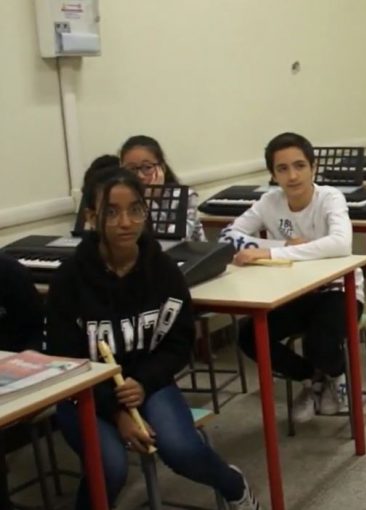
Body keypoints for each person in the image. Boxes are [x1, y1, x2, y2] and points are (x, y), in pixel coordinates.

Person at [46, 167, 260, 509]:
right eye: (111, 212)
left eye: (135, 210)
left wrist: (144, 382)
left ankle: (235, 486)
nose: (125, 222)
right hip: (85, 393)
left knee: (182, 449)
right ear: (91, 217)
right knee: (110, 468)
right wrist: (117, 413)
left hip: (149, 380)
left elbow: (179, 342)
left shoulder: (163, 271)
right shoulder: (68, 280)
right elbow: (65, 360)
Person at [218, 132, 364, 422]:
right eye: (282, 169)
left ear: (313, 167)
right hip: (292, 293)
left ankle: (337, 376)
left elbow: (340, 244)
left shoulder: (329, 197)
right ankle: (312, 379)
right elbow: (227, 236)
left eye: (300, 166)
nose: (292, 176)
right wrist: (281, 245)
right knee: (249, 336)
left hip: (338, 290)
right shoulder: (269, 201)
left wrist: (271, 254)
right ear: (273, 174)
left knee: (319, 343)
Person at [120, 135, 207, 241]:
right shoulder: (122, 198)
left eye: (147, 167)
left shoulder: (186, 196)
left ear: (162, 168)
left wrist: (149, 201)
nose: (140, 176)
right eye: (131, 169)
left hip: (187, 250)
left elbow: (175, 238)